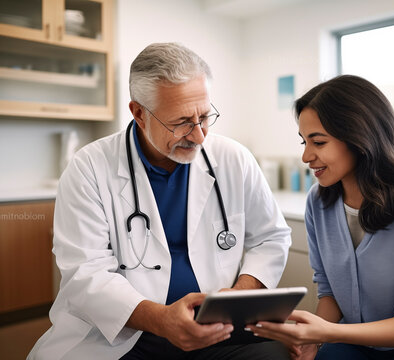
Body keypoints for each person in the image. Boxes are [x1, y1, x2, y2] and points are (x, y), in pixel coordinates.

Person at [28, 42, 292, 360]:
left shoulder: (233, 158)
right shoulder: (90, 168)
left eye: (205, 116)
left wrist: (236, 299)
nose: (199, 136)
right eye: (181, 122)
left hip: (217, 332)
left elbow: (271, 238)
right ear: (139, 113)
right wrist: (162, 320)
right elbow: (86, 272)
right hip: (124, 336)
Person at [246, 75, 394, 360]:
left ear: (358, 137)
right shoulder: (318, 202)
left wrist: (326, 333)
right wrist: (312, 342)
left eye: (318, 142)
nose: (306, 156)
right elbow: (330, 291)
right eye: (304, 141)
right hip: (357, 348)